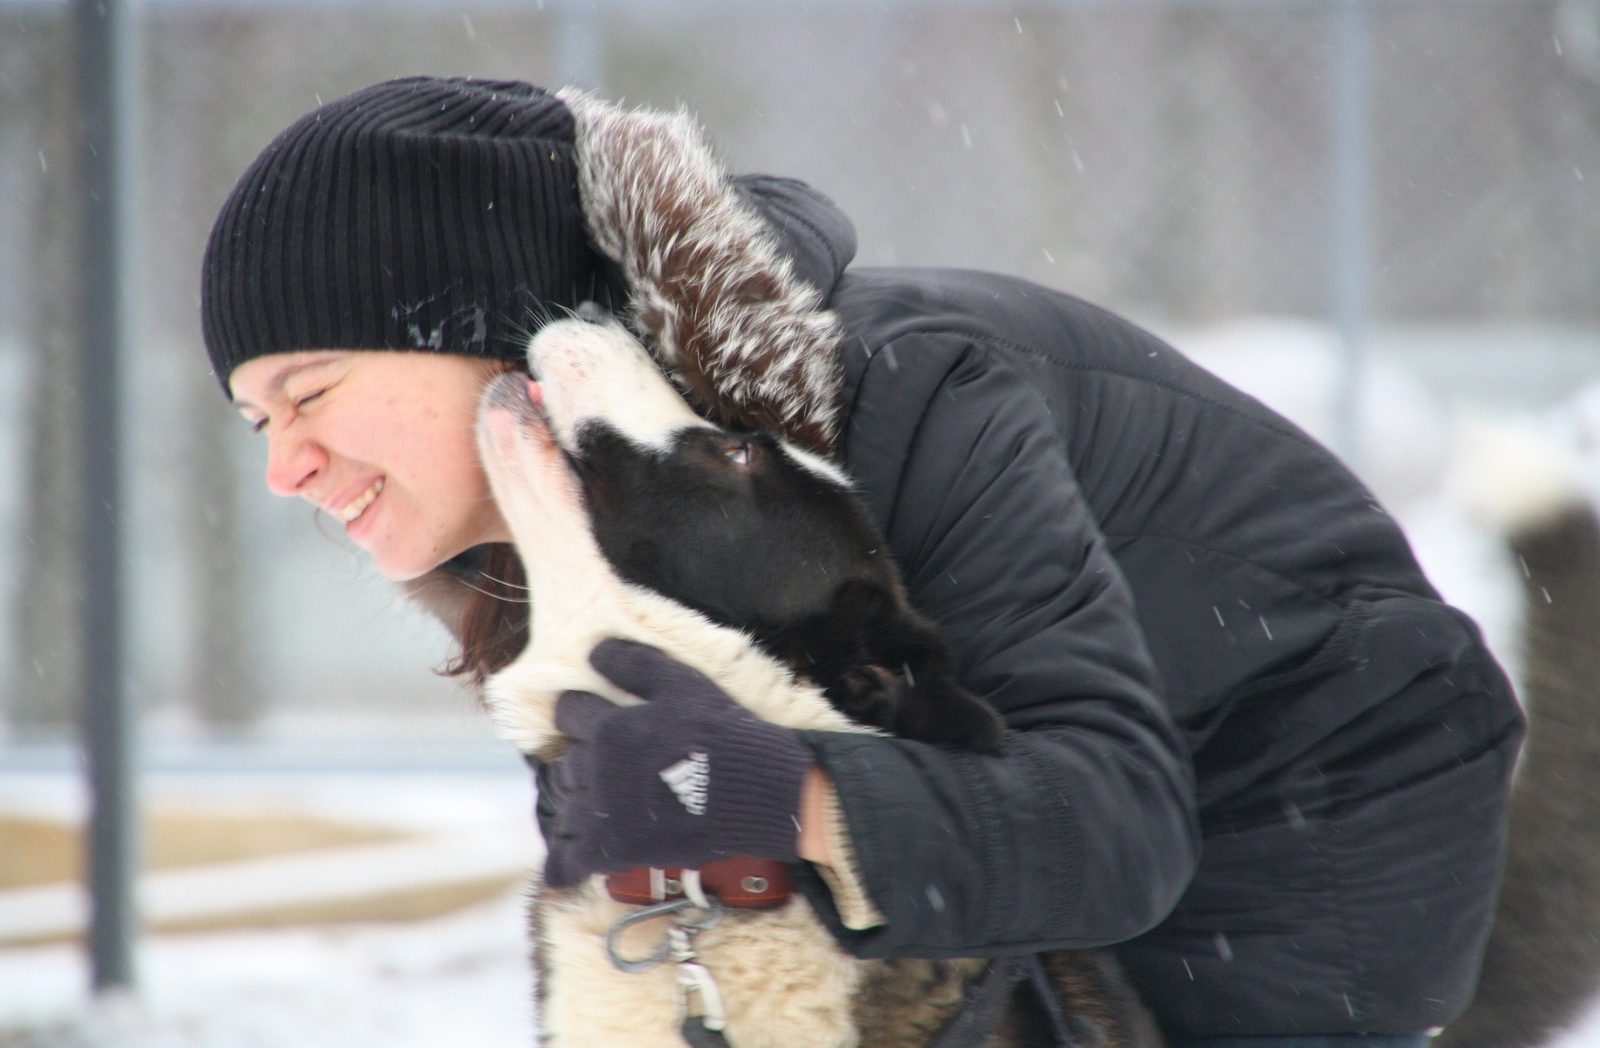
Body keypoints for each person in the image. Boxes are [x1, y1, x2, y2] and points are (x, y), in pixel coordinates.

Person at [200, 76, 1523, 1047]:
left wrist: (769, 797)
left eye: (310, 391)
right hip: (1041, 820)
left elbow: (1114, 828)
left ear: (487, 328)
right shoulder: (557, 522)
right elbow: (652, 887)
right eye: (258, 421)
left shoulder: (903, 398)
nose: (286, 466)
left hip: (1314, 799)